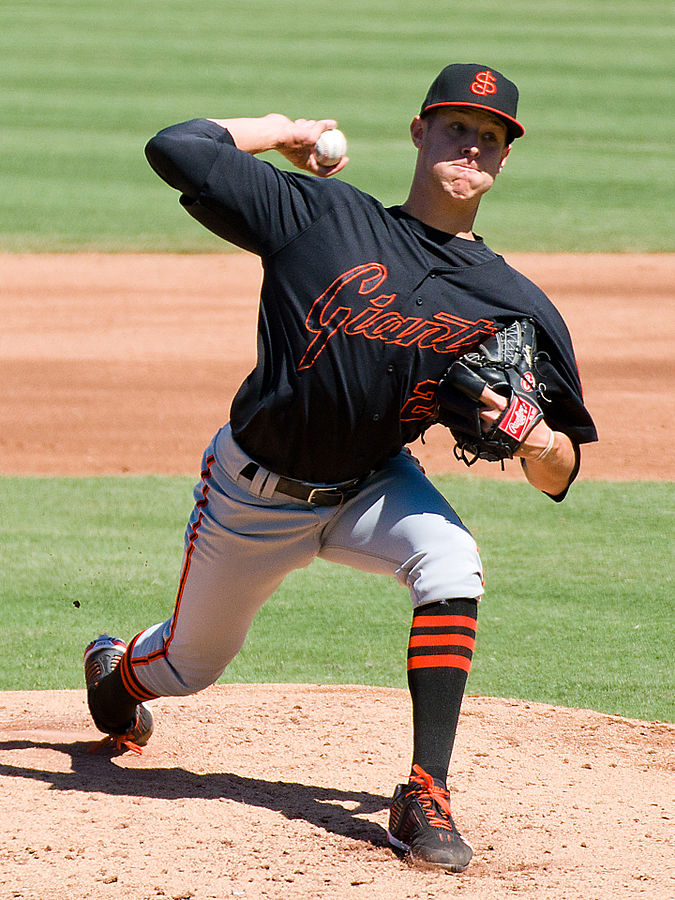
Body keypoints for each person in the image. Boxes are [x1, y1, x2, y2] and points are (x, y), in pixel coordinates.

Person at [83, 63, 597, 872]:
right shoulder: (318, 217)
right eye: (457, 125)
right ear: (419, 132)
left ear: (503, 160)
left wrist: (536, 441)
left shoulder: (511, 302)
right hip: (252, 493)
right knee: (186, 667)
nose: (472, 144)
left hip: (370, 483)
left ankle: (424, 789)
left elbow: (561, 472)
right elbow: (175, 147)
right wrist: (276, 130)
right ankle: (117, 677)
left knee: (452, 560)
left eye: (490, 136)